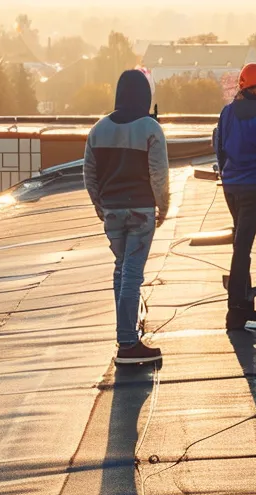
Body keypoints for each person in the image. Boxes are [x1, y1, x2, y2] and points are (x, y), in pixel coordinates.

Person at [85, 69, 170, 365]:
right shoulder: (150, 128)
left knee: (121, 271)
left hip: (112, 211)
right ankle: (128, 343)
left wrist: (100, 205)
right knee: (132, 276)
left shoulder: (98, 129)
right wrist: (164, 207)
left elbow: (90, 175)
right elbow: (158, 175)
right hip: (141, 210)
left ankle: (125, 334)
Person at [213, 63, 256, 331]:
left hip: (232, 187)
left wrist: (227, 176)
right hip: (254, 188)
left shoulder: (227, 113)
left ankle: (245, 305)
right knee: (242, 248)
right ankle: (235, 311)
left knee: (241, 243)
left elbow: (219, 146)